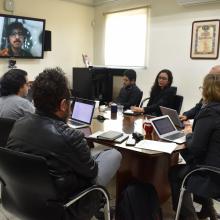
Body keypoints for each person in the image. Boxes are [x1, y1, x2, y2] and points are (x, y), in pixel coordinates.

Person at [6, 67, 122, 219]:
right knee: (114, 154)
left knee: (94, 157)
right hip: (64, 208)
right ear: (63, 105)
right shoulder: (71, 137)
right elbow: (92, 173)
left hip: (19, 202)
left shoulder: (18, 125)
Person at [169, 72, 220, 220]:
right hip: (216, 168)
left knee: (175, 174)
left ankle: (189, 217)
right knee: (191, 168)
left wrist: (190, 134)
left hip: (212, 173)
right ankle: (209, 212)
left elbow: (196, 149)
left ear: (207, 90)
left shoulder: (210, 112)